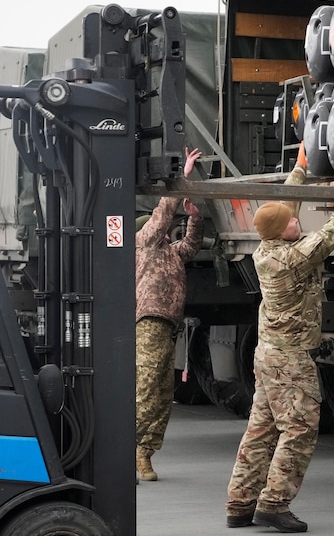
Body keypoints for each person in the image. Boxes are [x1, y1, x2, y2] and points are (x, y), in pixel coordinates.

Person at [225, 143, 334, 532]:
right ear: (284, 232)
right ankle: (274, 504)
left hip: (269, 357)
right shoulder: (293, 257)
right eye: (292, 221)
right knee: (298, 428)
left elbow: (289, 208)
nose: (298, 221)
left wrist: (299, 169)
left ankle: (239, 504)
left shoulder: (270, 247)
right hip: (289, 359)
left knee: (261, 429)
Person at [135, 147, 203, 481]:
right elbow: (162, 213)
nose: (163, 229)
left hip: (167, 326)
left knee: (163, 394)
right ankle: (129, 448)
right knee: (146, 387)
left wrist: (194, 217)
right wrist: (183, 177)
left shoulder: (171, 252)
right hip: (149, 323)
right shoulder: (144, 243)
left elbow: (191, 245)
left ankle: (144, 454)